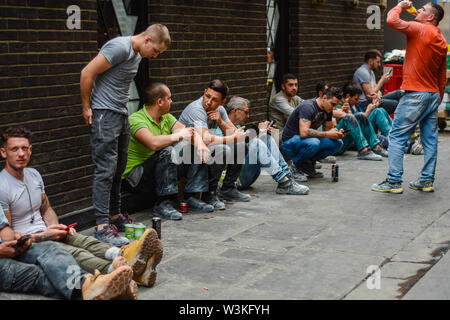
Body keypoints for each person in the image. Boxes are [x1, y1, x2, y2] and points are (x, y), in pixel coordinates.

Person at [0, 126, 162, 290]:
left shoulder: (33, 174)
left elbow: (46, 209)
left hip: (46, 231)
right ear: (3, 152)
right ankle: (117, 270)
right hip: (28, 243)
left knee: (84, 240)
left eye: (24, 148)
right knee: (74, 253)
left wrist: (55, 227)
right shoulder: (2, 186)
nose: (20, 154)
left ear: (30, 150)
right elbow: (10, 238)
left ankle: (124, 256)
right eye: (14, 149)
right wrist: (45, 235)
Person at [80, 24, 171, 245]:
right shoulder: (119, 47)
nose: (155, 56)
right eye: (156, 51)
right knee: (105, 170)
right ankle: (102, 225)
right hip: (104, 114)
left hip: (120, 114)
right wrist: (86, 107)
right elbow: (87, 72)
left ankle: (114, 216)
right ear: (147, 39)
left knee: (119, 168)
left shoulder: (138, 54)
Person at [372, 1, 447, 194]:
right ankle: (426, 180)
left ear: (430, 17)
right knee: (429, 140)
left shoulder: (420, 29)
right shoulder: (441, 40)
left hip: (415, 94)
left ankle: (394, 181)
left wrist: (400, 5)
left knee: (396, 137)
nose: (418, 10)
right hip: (431, 95)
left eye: (423, 9)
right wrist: (437, 97)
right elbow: (441, 73)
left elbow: (391, 20)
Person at [0, 204, 134, 300]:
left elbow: (5, 231)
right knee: (41, 274)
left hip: (12, 245)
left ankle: (97, 285)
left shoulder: (33, 176)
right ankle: (97, 287)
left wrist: (16, 239)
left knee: (52, 248)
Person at [122, 83, 213, 220]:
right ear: (160, 101)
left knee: (192, 147)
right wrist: (177, 136)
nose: (172, 101)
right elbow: (153, 143)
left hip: (159, 171)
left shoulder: (166, 118)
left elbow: (189, 133)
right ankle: (163, 203)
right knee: (167, 150)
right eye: (169, 98)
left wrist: (200, 145)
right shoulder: (136, 119)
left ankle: (191, 197)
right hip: (137, 178)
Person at [178, 80, 250, 210]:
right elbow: (206, 139)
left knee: (240, 146)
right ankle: (209, 194)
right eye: (207, 96)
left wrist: (220, 121)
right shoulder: (197, 109)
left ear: (222, 102)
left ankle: (228, 188)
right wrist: (232, 137)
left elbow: (233, 131)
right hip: (185, 152)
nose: (209, 102)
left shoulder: (220, 110)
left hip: (202, 150)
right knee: (221, 150)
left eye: (214, 100)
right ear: (204, 92)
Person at [216, 96, 309, 195]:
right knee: (257, 142)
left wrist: (262, 133)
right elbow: (233, 150)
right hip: (231, 179)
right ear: (236, 111)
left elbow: (247, 147)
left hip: (247, 175)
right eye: (246, 112)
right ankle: (284, 182)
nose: (248, 116)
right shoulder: (218, 128)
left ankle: (287, 178)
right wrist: (259, 132)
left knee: (266, 138)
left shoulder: (238, 127)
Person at [281, 87, 346, 178]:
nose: (334, 108)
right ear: (324, 98)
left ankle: (308, 165)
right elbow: (304, 132)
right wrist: (328, 134)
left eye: (336, 105)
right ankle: (294, 167)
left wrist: (337, 134)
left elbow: (328, 131)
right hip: (290, 143)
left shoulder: (328, 110)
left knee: (337, 143)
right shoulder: (308, 106)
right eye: (332, 104)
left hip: (307, 141)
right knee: (314, 142)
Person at [333, 86, 388, 160]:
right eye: (333, 104)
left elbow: (352, 122)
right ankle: (363, 150)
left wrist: (347, 112)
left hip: (344, 140)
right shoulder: (324, 109)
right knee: (382, 139)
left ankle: (376, 147)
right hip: (334, 145)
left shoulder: (349, 106)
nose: (358, 101)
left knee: (361, 115)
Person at [352, 49, 402, 114]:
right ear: (370, 61)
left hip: (373, 100)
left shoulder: (371, 72)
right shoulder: (363, 72)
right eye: (377, 62)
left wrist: (377, 95)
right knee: (396, 104)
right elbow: (370, 95)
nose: (379, 64)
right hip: (364, 104)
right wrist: (382, 81)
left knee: (399, 93)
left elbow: (377, 90)